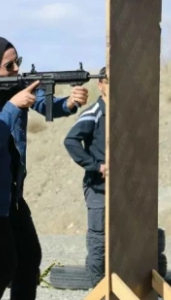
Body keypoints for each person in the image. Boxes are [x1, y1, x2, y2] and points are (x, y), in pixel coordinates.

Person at [0, 36, 89, 300]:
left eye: (17, 62)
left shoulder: (15, 86)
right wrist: (13, 106)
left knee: (29, 259)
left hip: (9, 196)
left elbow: (46, 104)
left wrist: (70, 102)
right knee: (4, 263)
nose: (17, 70)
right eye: (9, 66)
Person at [63, 66, 107, 288]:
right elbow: (71, 141)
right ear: (100, 84)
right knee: (99, 241)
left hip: (122, 190)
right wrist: (96, 166)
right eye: (108, 81)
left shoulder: (127, 113)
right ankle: (97, 289)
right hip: (98, 187)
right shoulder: (94, 113)